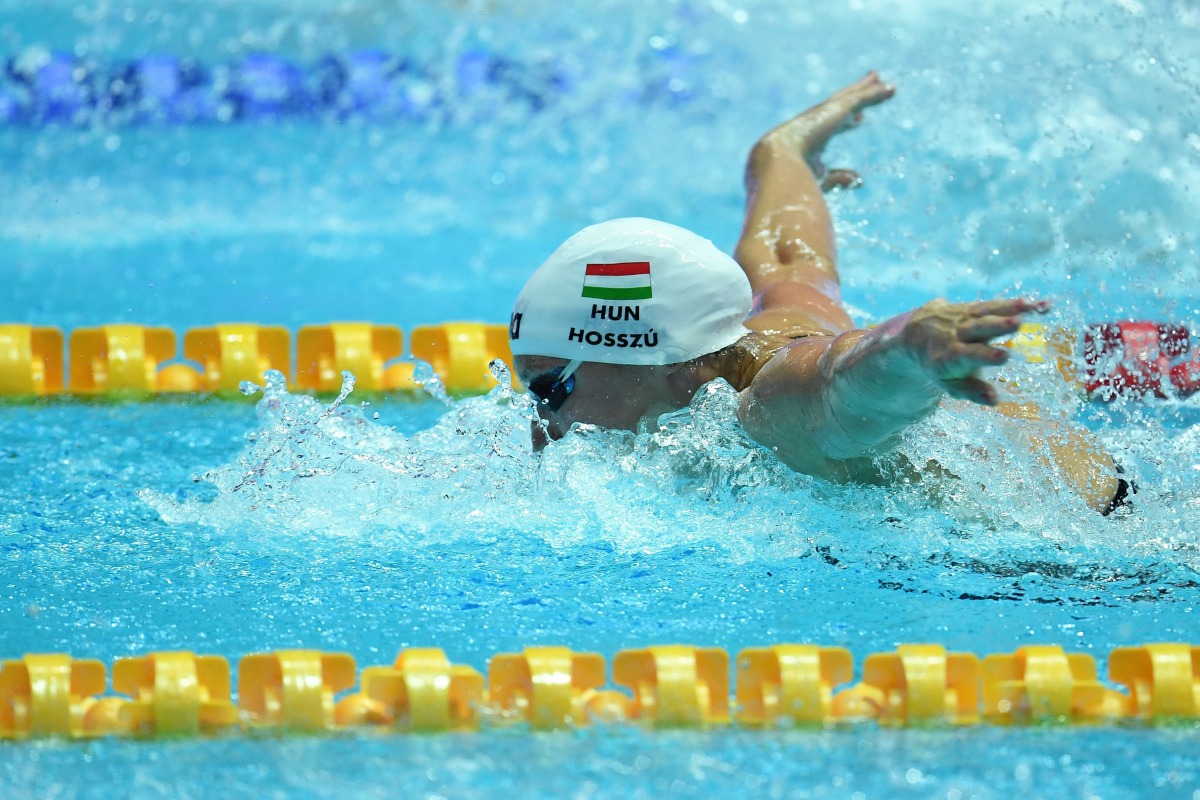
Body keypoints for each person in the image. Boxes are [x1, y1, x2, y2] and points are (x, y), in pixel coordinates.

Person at [508, 72, 1128, 514]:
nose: (540, 426)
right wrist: (779, 153)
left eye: (549, 387)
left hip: (1098, 557)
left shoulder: (769, 409)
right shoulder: (773, 316)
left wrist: (906, 347)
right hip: (1097, 477)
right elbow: (784, 250)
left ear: (672, 369)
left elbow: (842, 384)